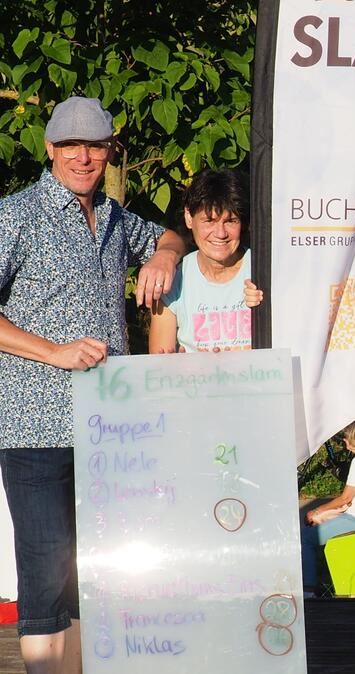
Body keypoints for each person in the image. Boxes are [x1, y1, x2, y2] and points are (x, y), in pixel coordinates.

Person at [0, 96, 186, 674]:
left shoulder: (114, 216)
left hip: (109, 429)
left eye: (96, 146)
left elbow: (173, 235)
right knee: (46, 571)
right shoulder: (15, 215)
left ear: (109, 152)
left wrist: (163, 257)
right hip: (37, 425)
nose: (84, 157)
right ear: (50, 148)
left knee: (95, 571)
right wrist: (53, 351)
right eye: (72, 146)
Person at [149, 169, 254, 353]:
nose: (220, 233)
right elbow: (160, 362)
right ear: (189, 218)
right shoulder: (173, 281)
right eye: (209, 221)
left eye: (231, 221)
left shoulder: (261, 270)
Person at [299, 417, 355, 595]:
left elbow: (345, 498)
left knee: (305, 537)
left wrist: (316, 511)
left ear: (353, 439)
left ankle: (309, 588)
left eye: (346, 437)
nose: (344, 440)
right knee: (321, 521)